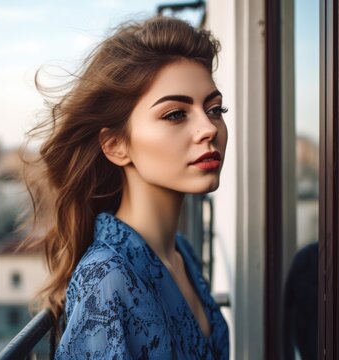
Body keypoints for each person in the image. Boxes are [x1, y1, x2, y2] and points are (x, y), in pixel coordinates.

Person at [25, 16, 229, 359]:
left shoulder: (181, 253)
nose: (208, 128)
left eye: (214, 108)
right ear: (116, 145)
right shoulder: (106, 279)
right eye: (176, 114)